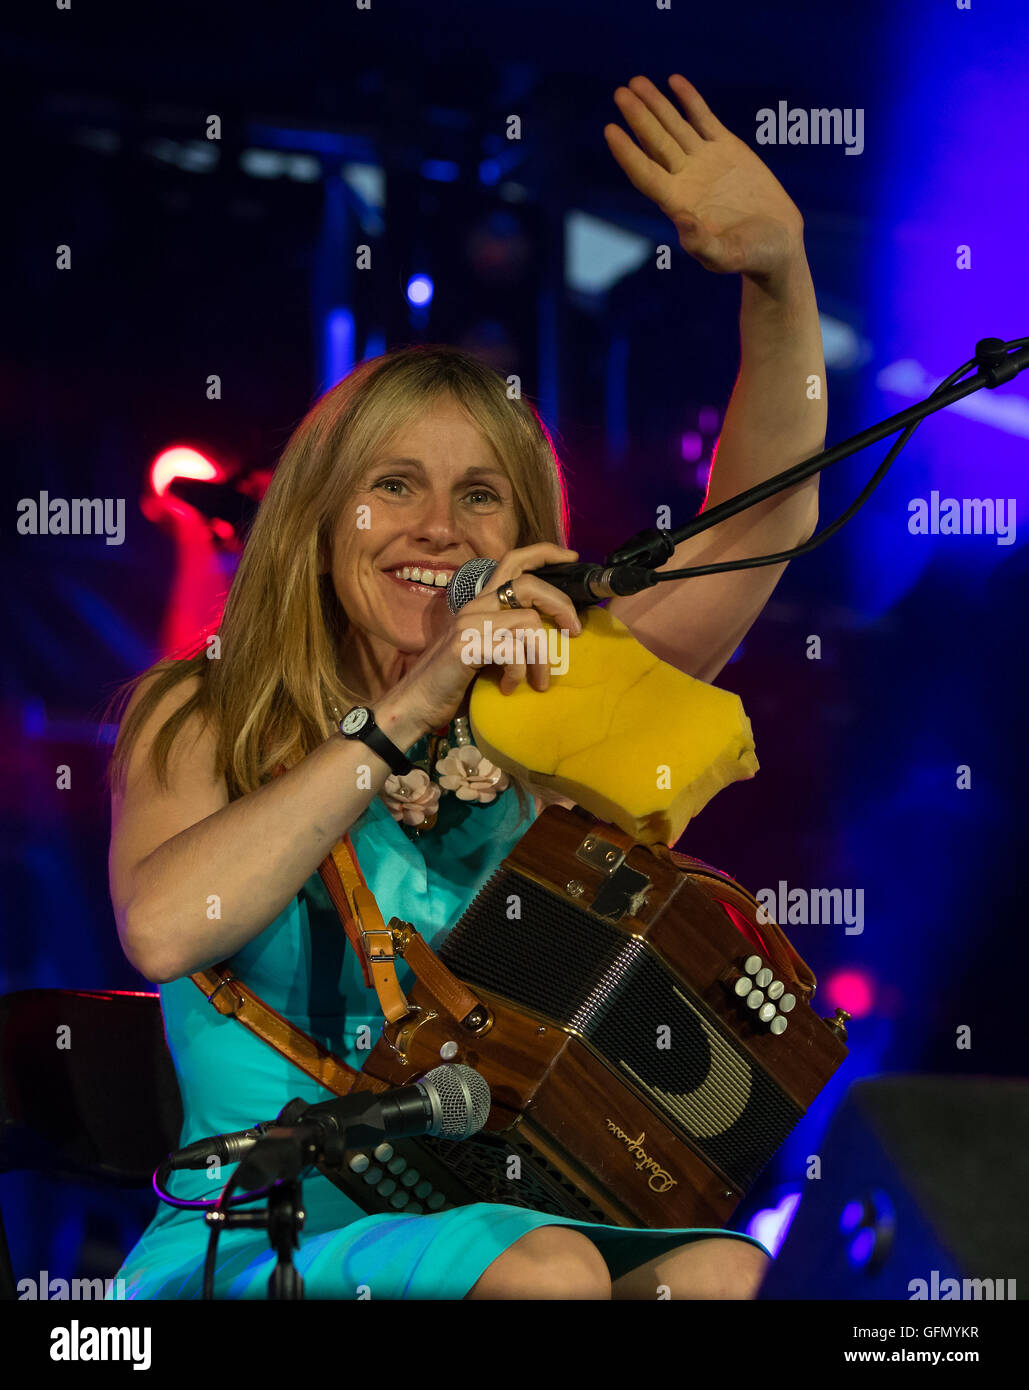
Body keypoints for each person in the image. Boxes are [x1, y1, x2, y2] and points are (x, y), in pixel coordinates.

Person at [104, 73, 824, 1300]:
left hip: (495, 1218)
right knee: (545, 1272)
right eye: (393, 486)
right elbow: (168, 925)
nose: (435, 528)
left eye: (480, 495)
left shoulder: (554, 711)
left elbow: (766, 522)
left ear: (528, 536)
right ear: (319, 526)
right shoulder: (203, 711)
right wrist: (405, 709)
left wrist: (781, 279)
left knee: (722, 1273)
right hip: (257, 1230)